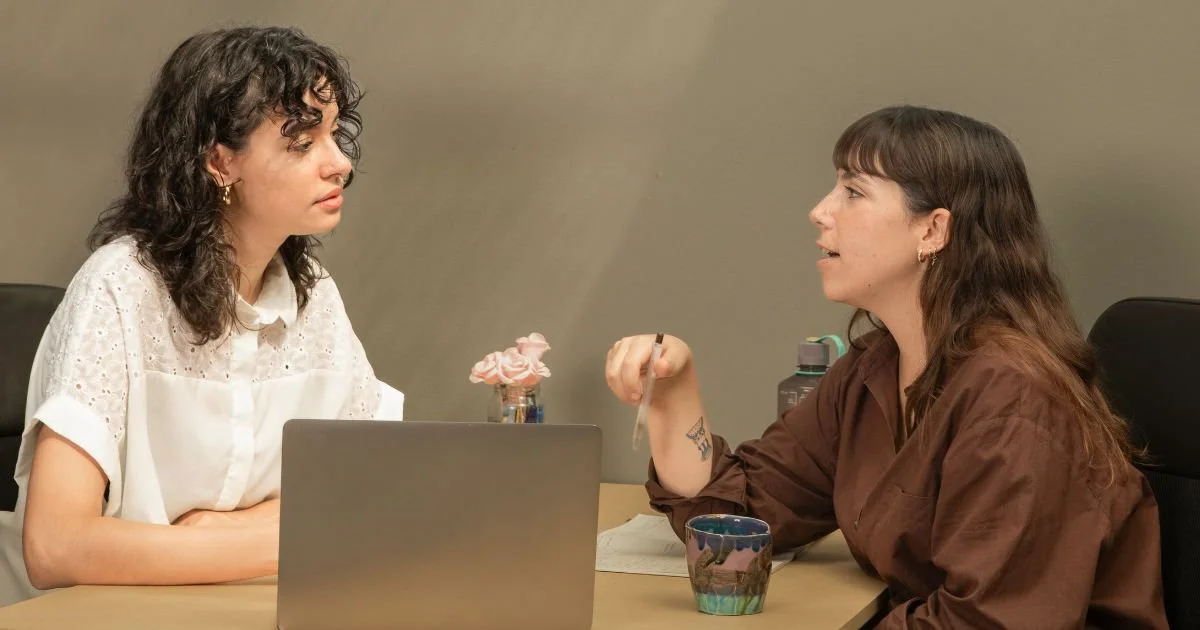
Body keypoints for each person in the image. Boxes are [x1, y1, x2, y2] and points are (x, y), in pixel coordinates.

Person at [605, 105, 1168, 627]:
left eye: (853, 191)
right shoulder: (874, 369)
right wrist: (674, 389)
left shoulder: (1014, 397)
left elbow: (987, 623)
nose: (820, 212)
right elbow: (741, 520)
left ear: (933, 230)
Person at [0, 26, 404, 606]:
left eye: (334, 133)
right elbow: (56, 546)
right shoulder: (120, 287)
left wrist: (228, 530)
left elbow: (375, 486)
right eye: (301, 142)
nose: (339, 162)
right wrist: (295, 536)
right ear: (220, 162)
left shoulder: (313, 294)